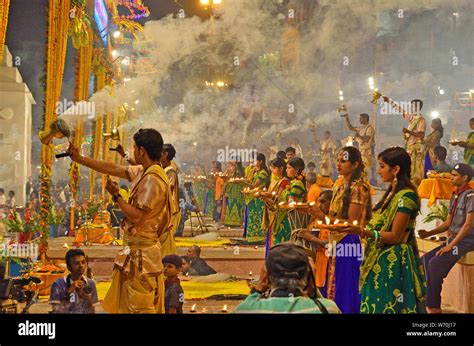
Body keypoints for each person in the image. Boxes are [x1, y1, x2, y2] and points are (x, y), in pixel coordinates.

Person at [69, 128, 175, 313]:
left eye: (133, 148)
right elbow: (114, 168)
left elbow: (136, 215)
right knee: (130, 305)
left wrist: (117, 195)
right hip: (135, 252)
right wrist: (81, 159)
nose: (132, 152)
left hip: (142, 257)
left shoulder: (153, 179)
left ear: (141, 151)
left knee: (140, 307)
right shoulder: (145, 171)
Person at [339, 147, 427, 313]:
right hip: (378, 257)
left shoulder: (406, 196)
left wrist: (362, 232)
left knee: (388, 305)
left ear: (396, 169)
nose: (379, 171)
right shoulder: (390, 193)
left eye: (382, 166)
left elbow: (395, 236)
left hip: (393, 262)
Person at [307, 147, 372, 313]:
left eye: (343, 161)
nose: (338, 164)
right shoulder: (339, 185)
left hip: (350, 240)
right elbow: (333, 217)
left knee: (347, 285)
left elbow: (350, 223)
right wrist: (318, 215)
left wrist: (320, 216)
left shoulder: (358, 188)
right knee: (336, 282)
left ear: (355, 164)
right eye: (338, 160)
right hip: (338, 239)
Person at [419, 163, 473, 314]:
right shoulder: (455, 195)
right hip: (455, 239)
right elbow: (448, 223)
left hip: (467, 240)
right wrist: (428, 233)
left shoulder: (470, 196)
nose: (451, 177)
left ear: (465, 178)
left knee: (435, 265)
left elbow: (468, 225)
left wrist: (451, 246)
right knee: (424, 260)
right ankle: (426, 301)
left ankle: (434, 306)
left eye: (455, 175)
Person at [234, 242, 340, 314]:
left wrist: (258, 289)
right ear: (307, 276)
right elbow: (321, 304)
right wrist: (312, 286)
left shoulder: (247, 309)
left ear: (265, 276)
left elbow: (244, 306)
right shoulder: (328, 308)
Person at [383, 96, 426, 185]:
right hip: (409, 148)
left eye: (413, 106)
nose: (411, 108)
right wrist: (389, 101)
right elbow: (401, 110)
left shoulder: (421, 120)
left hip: (415, 148)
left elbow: (421, 135)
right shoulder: (412, 118)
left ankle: (414, 186)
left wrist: (408, 131)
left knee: (414, 169)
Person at [50, 249, 98, 313]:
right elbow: (56, 312)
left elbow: (92, 311)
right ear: (69, 267)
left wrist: (88, 301)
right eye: (76, 263)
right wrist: (68, 293)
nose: (81, 266)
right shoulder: (58, 284)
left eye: (83, 262)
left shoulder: (90, 283)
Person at [260, 158, 291, 253]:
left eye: (274, 168)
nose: (272, 170)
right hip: (272, 212)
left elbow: (278, 198)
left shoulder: (284, 181)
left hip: (279, 214)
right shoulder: (273, 181)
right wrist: (264, 197)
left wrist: (266, 196)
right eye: (271, 168)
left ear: (281, 168)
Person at [244, 153, 270, 243]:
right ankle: (252, 236)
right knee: (252, 216)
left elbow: (254, 185)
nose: (253, 162)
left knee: (258, 217)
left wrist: (242, 183)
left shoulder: (263, 172)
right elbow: (248, 180)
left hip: (258, 198)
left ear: (261, 161)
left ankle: (259, 237)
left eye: (255, 160)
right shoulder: (254, 171)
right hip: (252, 197)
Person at [342, 112, 375, 181]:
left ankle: (366, 183)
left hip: (367, 152)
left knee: (366, 168)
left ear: (365, 119)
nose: (359, 120)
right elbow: (350, 128)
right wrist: (347, 118)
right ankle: (361, 181)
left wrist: (358, 136)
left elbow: (366, 139)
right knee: (361, 168)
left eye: (361, 119)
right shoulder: (361, 128)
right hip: (361, 151)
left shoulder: (369, 128)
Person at [160, 143, 180, 256]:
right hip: (164, 209)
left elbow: (168, 186)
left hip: (170, 210)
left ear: (165, 154)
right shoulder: (163, 169)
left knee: (167, 239)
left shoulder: (170, 171)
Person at [222, 159, 246, 227]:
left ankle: (238, 222)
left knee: (238, 205)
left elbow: (242, 178)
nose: (231, 164)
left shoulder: (241, 169)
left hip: (238, 190)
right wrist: (228, 169)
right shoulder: (230, 169)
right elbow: (225, 176)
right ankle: (230, 221)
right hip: (231, 190)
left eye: (232, 163)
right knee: (230, 204)